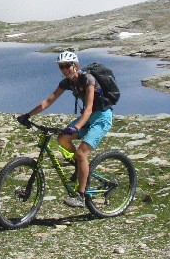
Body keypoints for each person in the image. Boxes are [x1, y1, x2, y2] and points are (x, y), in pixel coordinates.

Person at [17, 51, 114, 208]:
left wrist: (75, 127)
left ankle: (81, 196)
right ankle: (79, 166)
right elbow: (48, 101)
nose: (64, 70)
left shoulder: (88, 79)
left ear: (76, 65)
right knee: (62, 138)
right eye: (61, 67)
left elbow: (88, 109)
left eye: (67, 66)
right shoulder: (67, 82)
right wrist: (28, 115)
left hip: (101, 117)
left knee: (82, 152)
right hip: (87, 118)